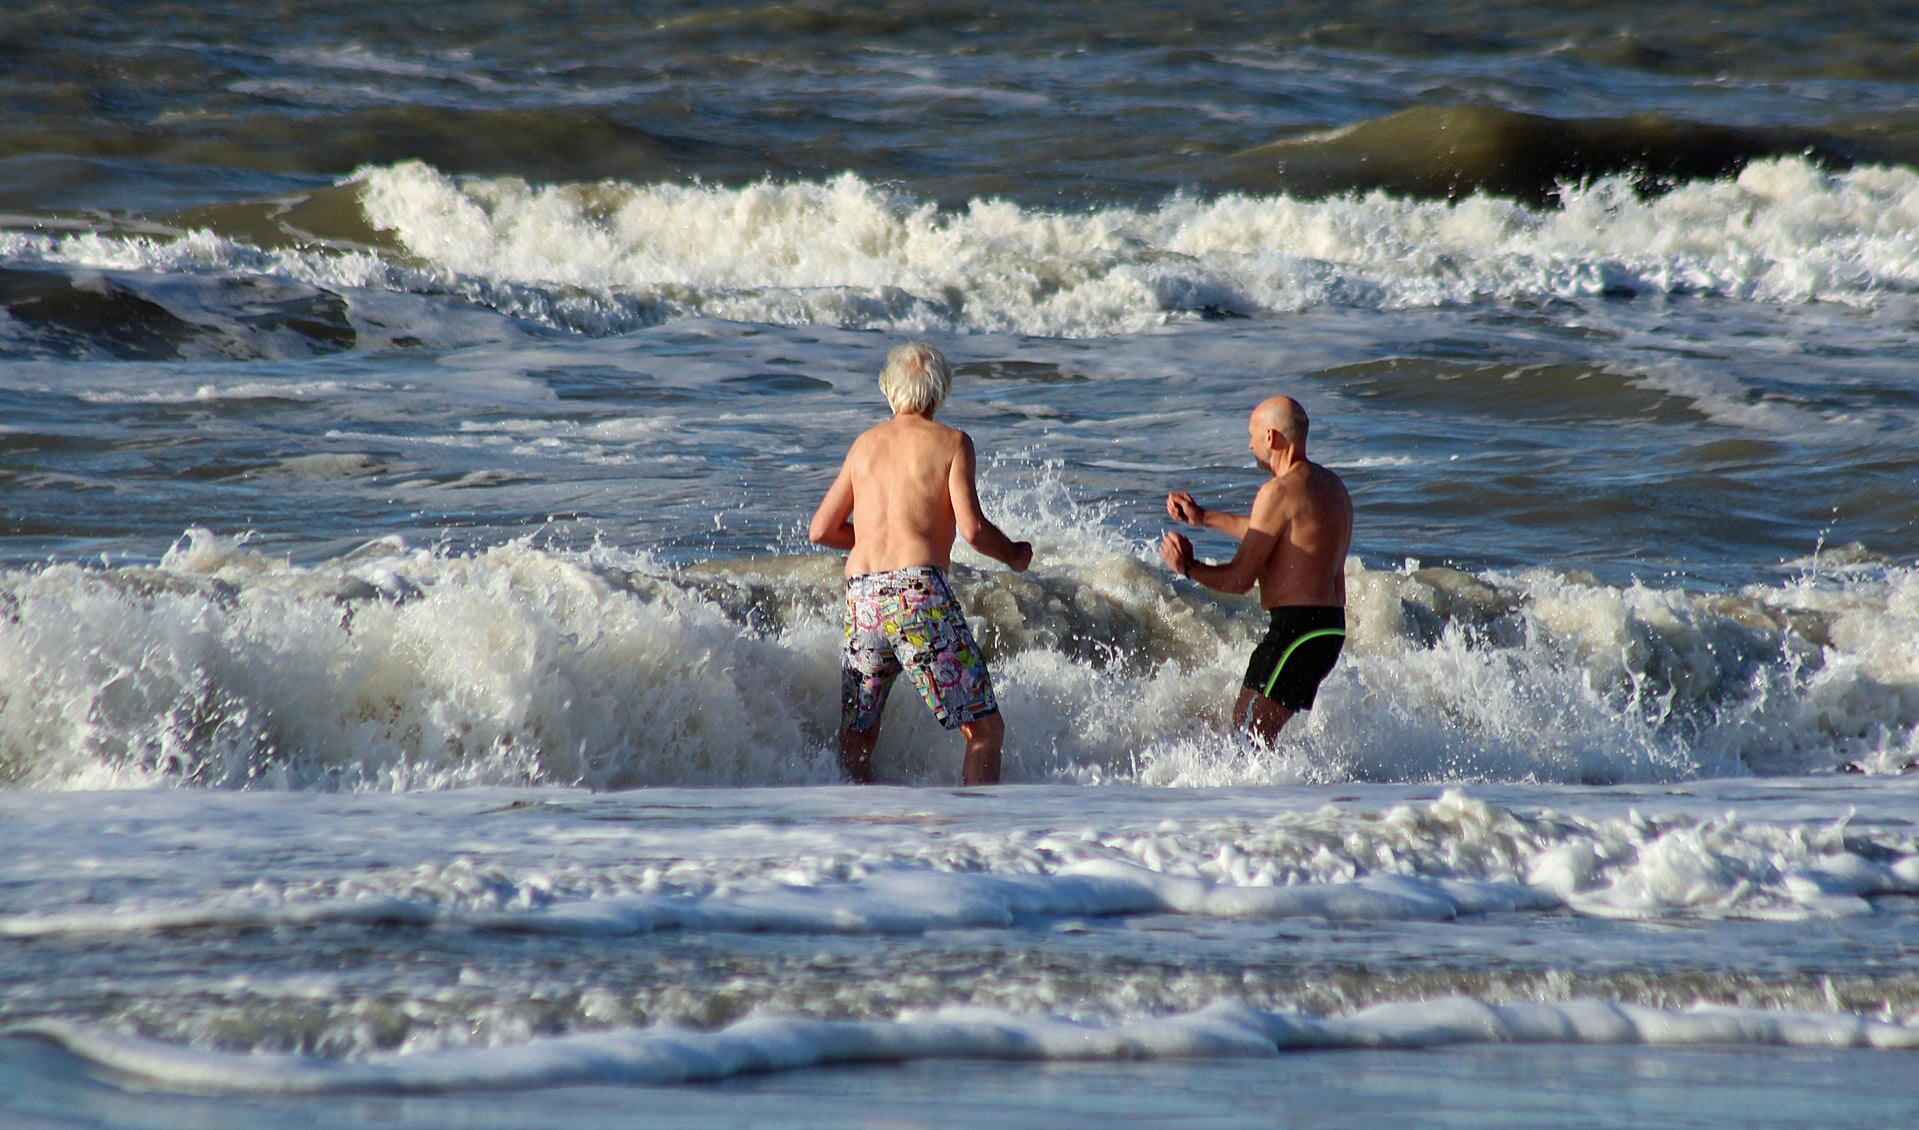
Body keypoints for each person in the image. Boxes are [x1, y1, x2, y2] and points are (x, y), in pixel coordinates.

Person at [809, 342, 1033, 785]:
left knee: (858, 734)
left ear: (890, 390)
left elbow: (820, 530)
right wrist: (1013, 554)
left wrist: (873, 538)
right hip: (917, 594)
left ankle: (851, 838)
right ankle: (979, 839)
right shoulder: (952, 442)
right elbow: (971, 530)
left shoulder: (864, 445)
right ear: (939, 392)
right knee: (984, 729)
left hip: (863, 596)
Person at [1158, 396, 1352, 744]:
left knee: (1250, 739)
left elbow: (1238, 580)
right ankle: (1304, 793)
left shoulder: (1277, 491)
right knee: (1248, 735)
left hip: (1298, 631)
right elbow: (1275, 534)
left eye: (1252, 435)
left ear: (1271, 437)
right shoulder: (1331, 486)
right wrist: (1203, 518)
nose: (1248, 444)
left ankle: (1295, 796)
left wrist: (1186, 567)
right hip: (1326, 628)